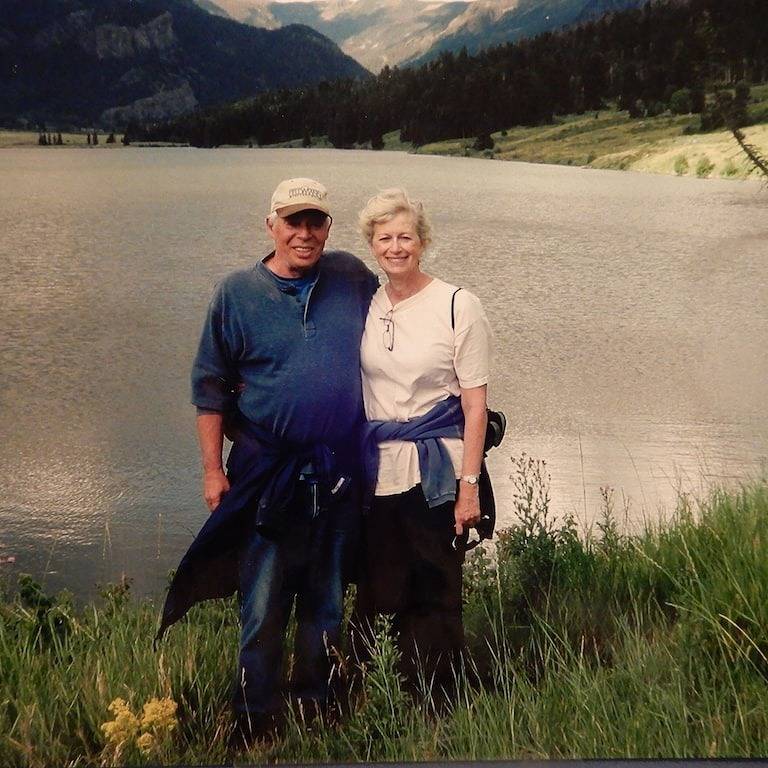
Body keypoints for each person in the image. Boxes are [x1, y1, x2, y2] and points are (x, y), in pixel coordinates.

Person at [157, 178, 378, 739]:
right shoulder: (235, 294)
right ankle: (255, 721)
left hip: (336, 472)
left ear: (329, 226)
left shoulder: (353, 278)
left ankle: (314, 712)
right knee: (261, 606)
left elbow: (401, 326)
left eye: (316, 222)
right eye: (292, 222)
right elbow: (209, 388)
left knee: (327, 603)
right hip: (266, 475)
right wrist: (212, 471)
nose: (304, 234)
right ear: (271, 225)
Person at [353, 188, 493, 695]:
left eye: (405, 236)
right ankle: (381, 698)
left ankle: (441, 704)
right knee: (381, 588)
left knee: (434, 586)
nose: (396, 247)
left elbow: (474, 405)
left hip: (436, 469)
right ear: (372, 244)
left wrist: (469, 487)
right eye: (385, 237)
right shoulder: (366, 303)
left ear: (423, 241)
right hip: (378, 468)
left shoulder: (457, 305)